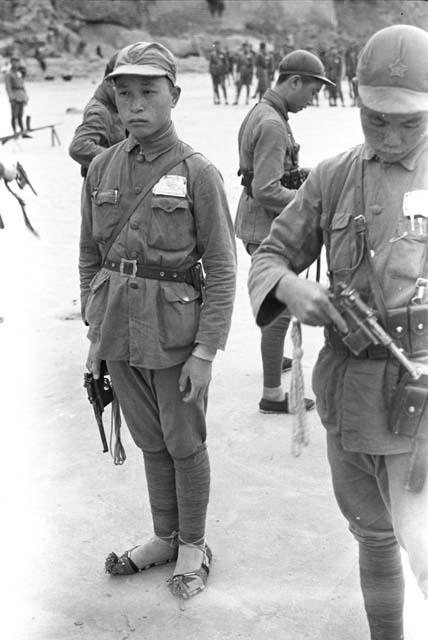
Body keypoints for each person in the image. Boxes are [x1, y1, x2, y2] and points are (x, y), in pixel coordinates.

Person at [248, 24, 428, 639]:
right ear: (356, 101)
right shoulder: (331, 177)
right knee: (373, 535)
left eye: (410, 122)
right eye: (377, 120)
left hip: (421, 405)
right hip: (350, 397)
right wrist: (291, 288)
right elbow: (270, 257)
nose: (393, 136)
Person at [79, 41, 236, 600]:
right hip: (118, 329)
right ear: (113, 100)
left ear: (174, 94)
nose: (136, 104)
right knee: (150, 440)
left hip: (176, 336)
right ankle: (164, 536)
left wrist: (206, 351)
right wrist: (95, 334)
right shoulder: (100, 167)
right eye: (125, 93)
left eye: (149, 92)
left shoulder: (199, 173)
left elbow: (221, 265)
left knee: (184, 442)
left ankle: (192, 543)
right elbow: (89, 257)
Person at [235, 49, 333, 414]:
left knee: (276, 306)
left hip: (257, 220)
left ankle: (273, 360)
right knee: (278, 307)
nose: (312, 100)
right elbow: (266, 189)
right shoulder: (274, 123)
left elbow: (269, 174)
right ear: (293, 82)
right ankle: (273, 393)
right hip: (266, 225)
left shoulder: (267, 111)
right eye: (311, 91)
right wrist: (309, 201)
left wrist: (305, 174)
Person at [69, 53, 126, 178]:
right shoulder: (99, 111)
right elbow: (78, 147)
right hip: (103, 187)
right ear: (110, 82)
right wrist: (121, 160)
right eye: (123, 88)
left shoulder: (115, 106)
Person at [4, 54, 29, 135]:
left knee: (20, 115)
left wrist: (25, 97)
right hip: (15, 96)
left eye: (18, 62)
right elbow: (8, 87)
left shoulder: (19, 73)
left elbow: (22, 85)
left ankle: (22, 132)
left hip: (21, 96)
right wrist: (11, 98)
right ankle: (15, 132)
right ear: (12, 63)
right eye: (15, 62)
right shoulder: (9, 74)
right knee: (14, 115)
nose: (17, 64)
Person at [208, 40, 228, 105]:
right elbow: (210, 64)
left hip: (222, 73)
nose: (217, 47)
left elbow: (226, 63)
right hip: (215, 73)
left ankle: (225, 99)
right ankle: (218, 99)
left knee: (223, 86)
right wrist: (211, 71)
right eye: (216, 45)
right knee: (215, 87)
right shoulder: (212, 54)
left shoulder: (223, 53)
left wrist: (226, 72)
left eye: (218, 45)